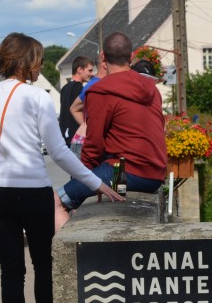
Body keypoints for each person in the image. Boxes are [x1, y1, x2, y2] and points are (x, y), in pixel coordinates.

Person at [0, 32, 122, 303]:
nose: (40, 67)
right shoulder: (36, 98)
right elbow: (59, 153)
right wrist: (97, 183)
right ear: (25, 62)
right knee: (43, 264)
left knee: (11, 271)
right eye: (37, 60)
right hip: (33, 190)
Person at [56, 32, 167, 216]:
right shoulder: (151, 89)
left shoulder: (100, 91)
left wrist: (83, 180)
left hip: (123, 171)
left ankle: (67, 245)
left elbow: (94, 146)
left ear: (103, 58)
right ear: (131, 56)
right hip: (155, 175)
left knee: (57, 202)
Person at [67, 56, 107, 158]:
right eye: (89, 70)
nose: (91, 73)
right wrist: (91, 129)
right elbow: (74, 109)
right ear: (105, 65)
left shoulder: (88, 85)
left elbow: (72, 109)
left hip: (78, 139)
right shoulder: (93, 85)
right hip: (85, 143)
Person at [59, 55, 95, 148]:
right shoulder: (78, 87)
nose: (92, 74)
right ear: (79, 70)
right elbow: (80, 111)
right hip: (75, 138)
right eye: (89, 70)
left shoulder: (64, 88)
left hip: (65, 137)